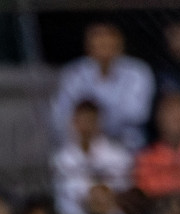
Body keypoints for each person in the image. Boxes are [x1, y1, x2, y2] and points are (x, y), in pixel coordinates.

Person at [49, 22, 154, 151]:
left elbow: (137, 113)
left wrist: (91, 118)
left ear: (120, 46)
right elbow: (61, 112)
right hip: (83, 145)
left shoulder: (137, 71)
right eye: (99, 44)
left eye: (109, 44)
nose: (104, 49)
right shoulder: (73, 72)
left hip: (126, 145)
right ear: (88, 47)